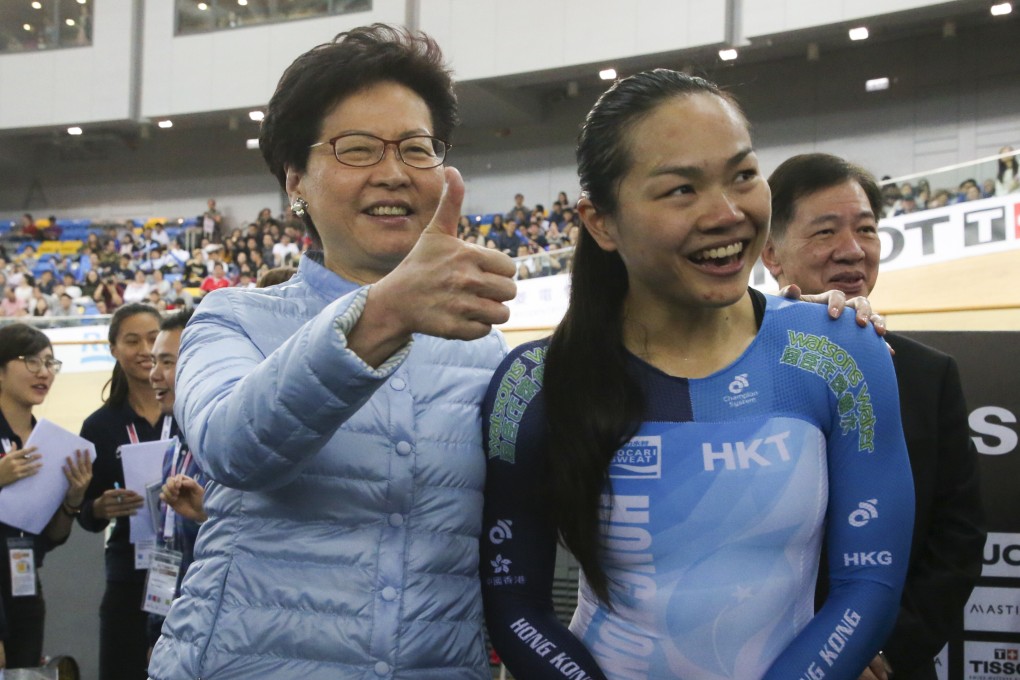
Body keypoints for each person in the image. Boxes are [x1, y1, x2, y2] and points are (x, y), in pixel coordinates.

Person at [481, 70, 914, 680]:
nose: (727, 213)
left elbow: (868, 584)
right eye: (682, 189)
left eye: (742, 175)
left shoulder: (843, 353)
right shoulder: (533, 383)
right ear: (600, 221)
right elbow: (515, 603)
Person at [148, 24, 517, 679]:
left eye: (416, 148)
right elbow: (236, 446)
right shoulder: (231, 318)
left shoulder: (483, 348)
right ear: (296, 181)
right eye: (356, 149)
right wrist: (385, 311)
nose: (394, 173)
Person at [761, 152, 985, 680]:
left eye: (866, 229)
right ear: (771, 254)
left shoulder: (928, 376)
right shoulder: (724, 371)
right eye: (825, 232)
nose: (853, 249)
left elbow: (958, 536)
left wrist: (880, 651)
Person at [78, 303, 177, 680]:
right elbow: (85, 514)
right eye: (131, 340)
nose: (143, 349)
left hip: (190, 572)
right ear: (113, 348)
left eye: (153, 339)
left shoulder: (191, 414)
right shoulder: (99, 426)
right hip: (128, 575)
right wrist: (99, 508)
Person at [0, 323, 92, 670]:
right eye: (31, 362)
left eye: (50, 363)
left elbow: (51, 537)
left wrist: (73, 498)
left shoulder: (49, 444)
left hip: (25, 585)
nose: (44, 373)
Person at [145, 309, 205, 654]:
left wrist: (205, 514)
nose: (153, 374)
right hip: (171, 624)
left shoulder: (222, 449)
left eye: (166, 362)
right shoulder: (174, 449)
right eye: (155, 362)